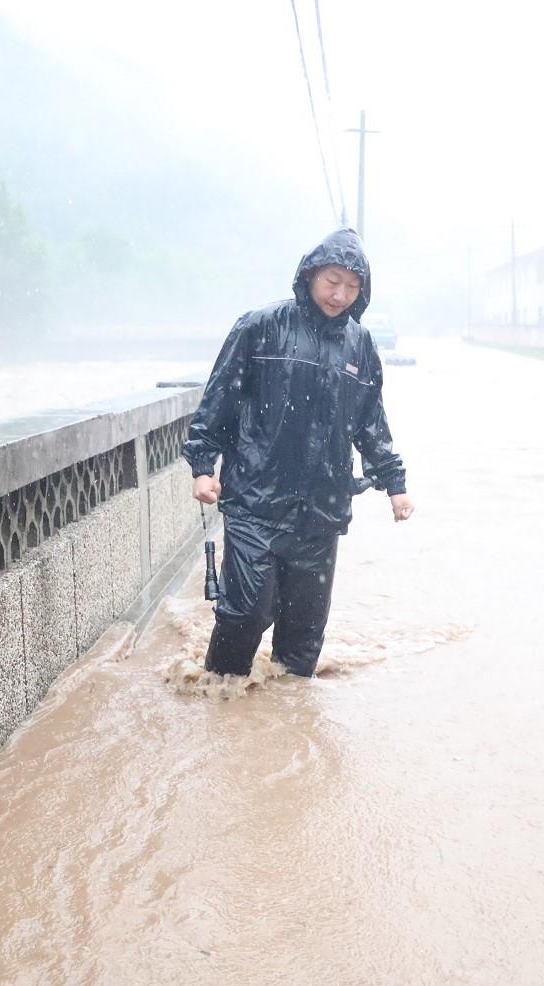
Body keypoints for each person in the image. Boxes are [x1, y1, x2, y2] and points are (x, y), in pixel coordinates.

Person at [181, 228, 414, 678]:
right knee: (244, 614)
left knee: (304, 636)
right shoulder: (261, 327)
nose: (340, 295)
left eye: (352, 286)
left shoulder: (360, 344)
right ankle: (219, 700)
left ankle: (289, 723)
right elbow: (219, 401)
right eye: (332, 281)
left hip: (321, 511)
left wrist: (395, 484)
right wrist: (203, 466)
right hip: (254, 502)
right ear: (309, 276)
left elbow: (370, 420)